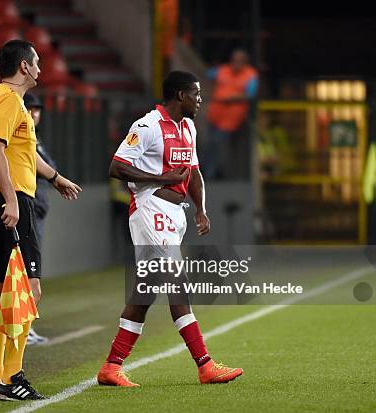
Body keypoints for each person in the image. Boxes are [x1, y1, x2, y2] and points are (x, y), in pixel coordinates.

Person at [97, 71, 243, 387]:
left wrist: (201, 210)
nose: (201, 100)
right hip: (150, 208)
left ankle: (111, 367)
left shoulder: (188, 127)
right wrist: (163, 180)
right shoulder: (147, 126)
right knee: (178, 283)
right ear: (180, 95)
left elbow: (193, 172)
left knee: (145, 291)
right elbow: (116, 167)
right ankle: (205, 364)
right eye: (197, 94)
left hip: (176, 213)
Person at [0, 40, 81, 401]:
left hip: (2, 201)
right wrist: (12, 199)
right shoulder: (7, 99)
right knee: (28, 290)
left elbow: (21, 155)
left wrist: (55, 178)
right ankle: (11, 377)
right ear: (24, 66)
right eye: (36, 62)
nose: (40, 68)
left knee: (0, 292)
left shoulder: (8, 100)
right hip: (9, 202)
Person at [203, 49, 258, 179]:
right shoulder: (223, 70)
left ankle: (209, 175)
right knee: (209, 144)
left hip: (230, 120)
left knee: (218, 145)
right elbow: (209, 74)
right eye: (234, 60)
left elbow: (250, 94)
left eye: (239, 61)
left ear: (245, 62)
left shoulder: (250, 75)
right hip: (214, 115)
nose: (235, 63)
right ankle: (205, 171)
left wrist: (234, 98)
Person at [23, 92, 51, 346]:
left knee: (30, 276)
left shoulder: (36, 139)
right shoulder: (24, 140)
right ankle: (23, 328)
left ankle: (26, 328)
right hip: (26, 214)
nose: (34, 113)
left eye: (37, 109)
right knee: (26, 276)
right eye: (29, 109)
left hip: (36, 213)